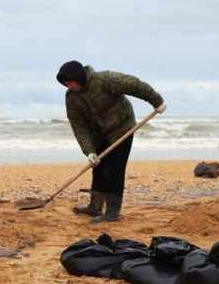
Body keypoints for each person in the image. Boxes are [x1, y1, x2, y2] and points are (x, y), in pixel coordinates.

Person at [57, 60, 166, 222]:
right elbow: (79, 127)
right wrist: (89, 151)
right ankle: (95, 207)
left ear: (79, 77)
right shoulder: (72, 98)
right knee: (98, 168)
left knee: (115, 170)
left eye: (70, 82)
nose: (68, 86)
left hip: (122, 128)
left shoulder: (105, 80)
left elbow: (134, 85)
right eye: (66, 84)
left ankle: (112, 212)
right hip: (98, 134)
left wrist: (157, 101)